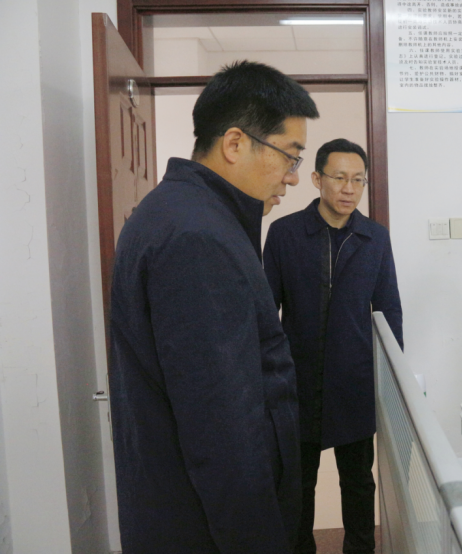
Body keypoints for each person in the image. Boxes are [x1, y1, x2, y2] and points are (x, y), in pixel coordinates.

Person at [109, 61, 319, 552]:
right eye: (290, 157)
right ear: (235, 144)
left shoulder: (181, 213)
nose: (292, 178)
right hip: (202, 529)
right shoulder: (197, 239)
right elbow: (223, 431)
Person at [263, 138, 403, 554]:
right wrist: (265, 377)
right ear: (317, 179)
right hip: (297, 382)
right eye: (340, 177)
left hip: (353, 380)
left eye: (358, 180)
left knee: (358, 481)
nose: (349, 188)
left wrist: (392, 380)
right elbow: (266, 311)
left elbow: (389, 312)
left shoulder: (375, 238)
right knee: (297, 484)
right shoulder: (285, 233)